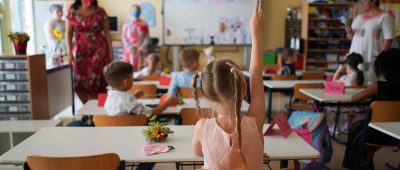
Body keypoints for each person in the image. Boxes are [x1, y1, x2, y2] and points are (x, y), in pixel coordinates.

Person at [191, 1, 266, 169]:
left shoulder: (202, 127)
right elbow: (255, 71)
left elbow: (197, 151)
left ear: (203, 93)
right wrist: (256, 32)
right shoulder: (255, 121)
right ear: (243, 88)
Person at [342, 48, 400, 170]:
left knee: (357, 127)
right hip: (396, 134)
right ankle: (367, 160)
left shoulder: (377, 87)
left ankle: (359, 164)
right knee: (361, 126)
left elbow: (354, 99)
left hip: (377, 133)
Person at [66, 0, 114, 104]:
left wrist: (111, 52)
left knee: (95, 82)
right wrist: (69, 53)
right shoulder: (72, 12)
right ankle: (89, 110)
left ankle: (95, 111)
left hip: (99, 50)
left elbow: (107, 33)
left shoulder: (100, 12)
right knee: (78, 84)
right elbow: (68, 33)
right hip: (80, 52)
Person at [345, 0, 395, 84]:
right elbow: (354, 39)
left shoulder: (385, 17)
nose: (361, 1)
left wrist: (380, 62)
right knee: (353, 87)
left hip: (371, 60)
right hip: (353, 62)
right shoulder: (358, 18)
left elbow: (388, 40)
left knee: (369, 86)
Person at [103, 61, 177, 117]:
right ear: (126, 82)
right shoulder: (128, 101)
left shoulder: (110, 95)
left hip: (115, 131)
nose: (133, 80)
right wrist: (167, 103)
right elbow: (152, 113)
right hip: (133, 131)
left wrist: (134, 96)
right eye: (132, 79)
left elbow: (123, 103)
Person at [122, 4, 150, 71]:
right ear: (130, 11)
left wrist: (140, 48)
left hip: (141, 51)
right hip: (129, 51)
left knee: (141, 72)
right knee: (128, 71)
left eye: (137, 10)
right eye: (134, 10)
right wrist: (130, 48)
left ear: (140, 12)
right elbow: (124, 37)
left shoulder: (144, 24)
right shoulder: (126, 24)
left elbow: (147, 38)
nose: (136, 11)